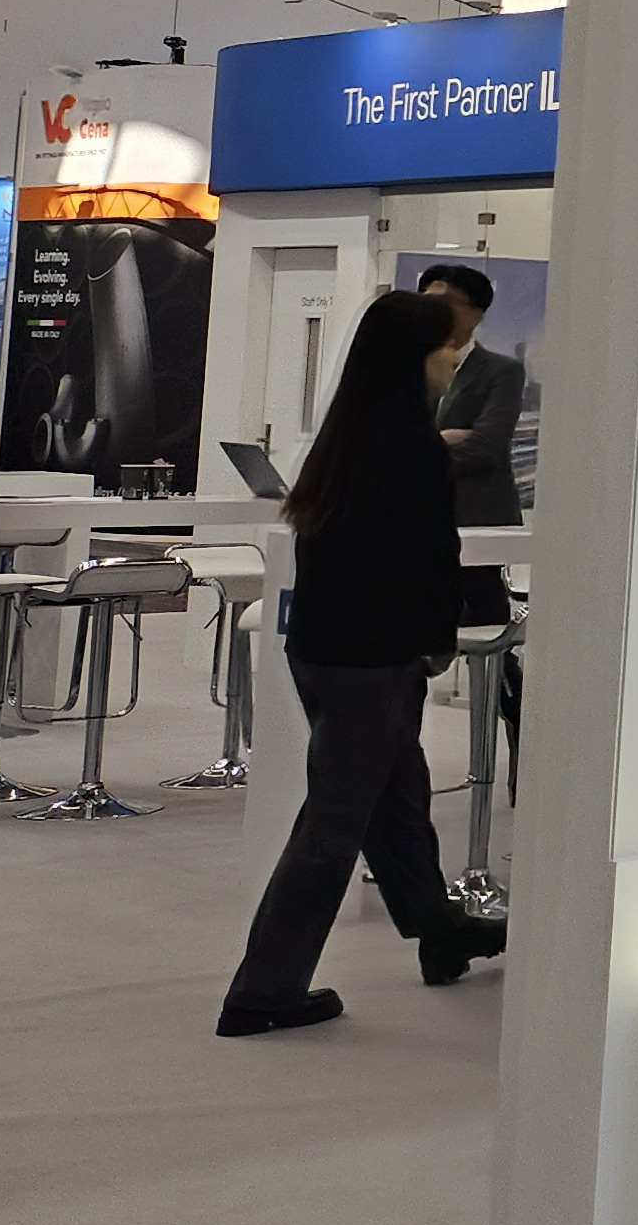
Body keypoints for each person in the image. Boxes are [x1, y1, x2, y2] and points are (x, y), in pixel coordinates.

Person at [217, 290, 510, 1036]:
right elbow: (431, 558)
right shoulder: (411, 447)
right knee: (334, 824)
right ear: (415, 359)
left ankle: (440, 931)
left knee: (396, 797)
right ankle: (265, 992)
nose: (454, 361)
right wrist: (438, 639)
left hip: (327, 650)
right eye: (446, 349)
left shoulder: (345, 440)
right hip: (373, 660)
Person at [421, 262, 525, 752]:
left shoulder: (501, 371)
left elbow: (486, 446)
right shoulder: (415, 365)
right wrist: (439, 442)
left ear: (475, 312)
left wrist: (422, 451)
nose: (431, 311)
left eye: (444, 302)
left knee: (491, 640)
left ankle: (522, 737)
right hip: (423, 522)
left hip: (481, 524)